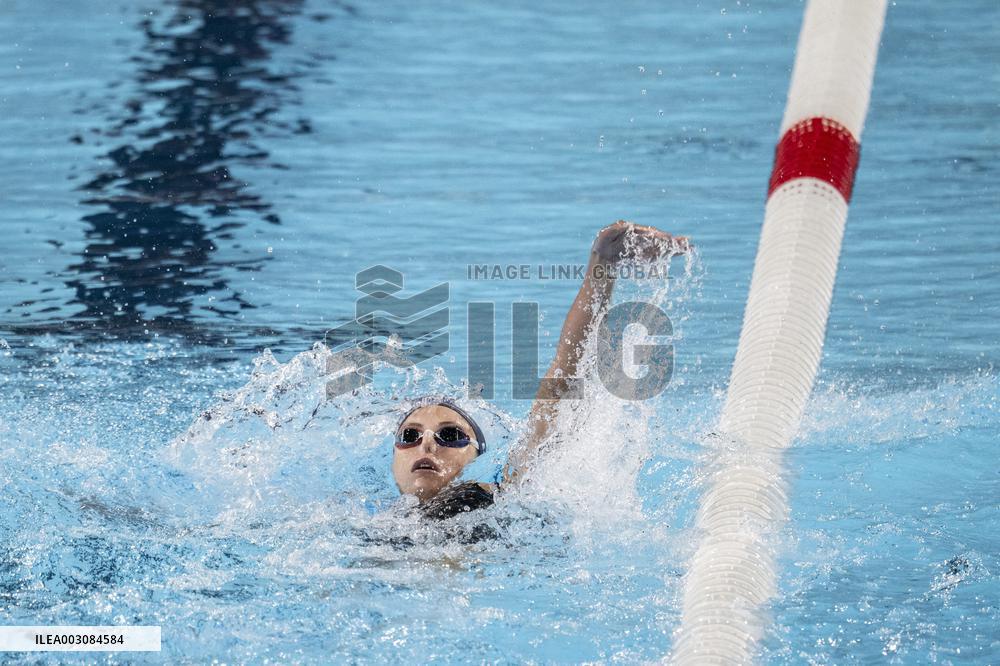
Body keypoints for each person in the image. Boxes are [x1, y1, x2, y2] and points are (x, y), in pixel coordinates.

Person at [391, 221, 690, 520]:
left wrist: (603, 264)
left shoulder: (496, 499)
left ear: (476, 458)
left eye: (451, 434)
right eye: (409, 436)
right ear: (393, 461)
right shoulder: (362, 519)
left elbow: (561, 384)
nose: (427, 444)